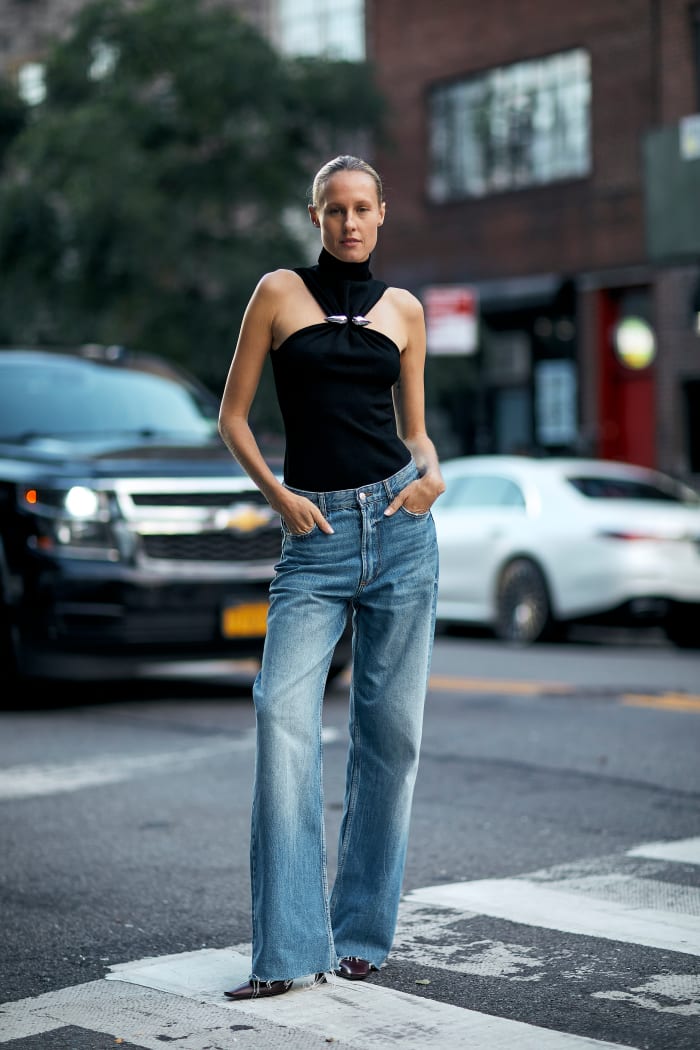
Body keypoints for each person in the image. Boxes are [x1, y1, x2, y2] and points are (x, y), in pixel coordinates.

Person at [218, 154, 445, 1001]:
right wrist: (279, 498)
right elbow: (233, 415)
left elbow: (414, 432)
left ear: (382, 214)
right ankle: (284, 950)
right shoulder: (278, 293)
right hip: (311, 534)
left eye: (363, 208)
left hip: (400, 528)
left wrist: (432, 473)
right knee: (282, 713)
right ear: (315, 216)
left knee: (391, 737)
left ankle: (360, 937)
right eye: (334, 209)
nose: (350, 222)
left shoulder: (407, 311)